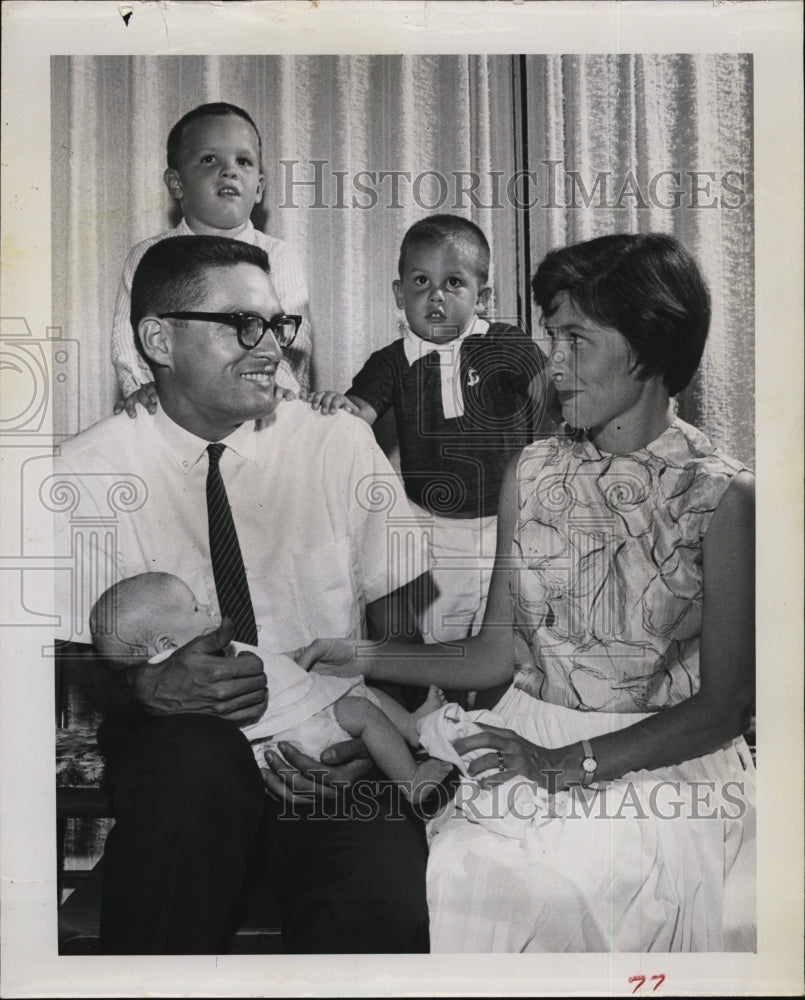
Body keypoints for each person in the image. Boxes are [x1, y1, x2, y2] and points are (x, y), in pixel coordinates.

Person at [302, 232, 757, 952]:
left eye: (575, 337)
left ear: (650, 343)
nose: (553, 361)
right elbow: (492, 654)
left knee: (554, 890)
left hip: (655, 769)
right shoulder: (533, 471)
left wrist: (560, 768)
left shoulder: (723, 497)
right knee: (461, 877)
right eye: (550, 335)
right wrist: (352, 653)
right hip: (524, 739)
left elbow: (726, 707)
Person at [53, 234, 431, 954]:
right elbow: (77, 662)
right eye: (242, 326)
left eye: (278, 325)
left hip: (332, 758)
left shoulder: (338, 445)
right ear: (159, 339)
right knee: (191, 761)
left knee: (385, 905)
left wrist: (364, 743)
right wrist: (148, 691)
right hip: (184, 774)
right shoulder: (83, 474)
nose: (273, 350)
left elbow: (406, 630)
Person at [309, 214, 551, 644]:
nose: (436, 296)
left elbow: (555, 397)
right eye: (421, 281)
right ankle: (442, 707)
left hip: (514, 524)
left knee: (520, 636)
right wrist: (336, 406)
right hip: (434, 530)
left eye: (454, 283)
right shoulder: (391, 360)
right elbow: (358, 413)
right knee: (442, 636)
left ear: (483, 297)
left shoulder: (506, 343)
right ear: (400, 294)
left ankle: (506, 707)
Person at [90, 572, 451, 806]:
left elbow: (264, 667)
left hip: (271, 745)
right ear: (166, 642)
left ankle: (412, 728)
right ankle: (413, 779)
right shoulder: (190, 666)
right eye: (196, 607)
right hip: (291, 736)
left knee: (357, 689)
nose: (208, 608)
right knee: (363, 708)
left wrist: (296, 660)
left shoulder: (191, 658)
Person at [110, 102, 312, 412]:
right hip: (173, 410)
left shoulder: (279, 256)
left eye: (243, 161)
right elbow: (127, 338)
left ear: (258, 188)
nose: (229, 170)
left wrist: (278, 388)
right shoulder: (148, 256)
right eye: (209, 159)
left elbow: (294, 341)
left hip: (260, 406)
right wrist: (140, 386)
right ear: (177, 183)